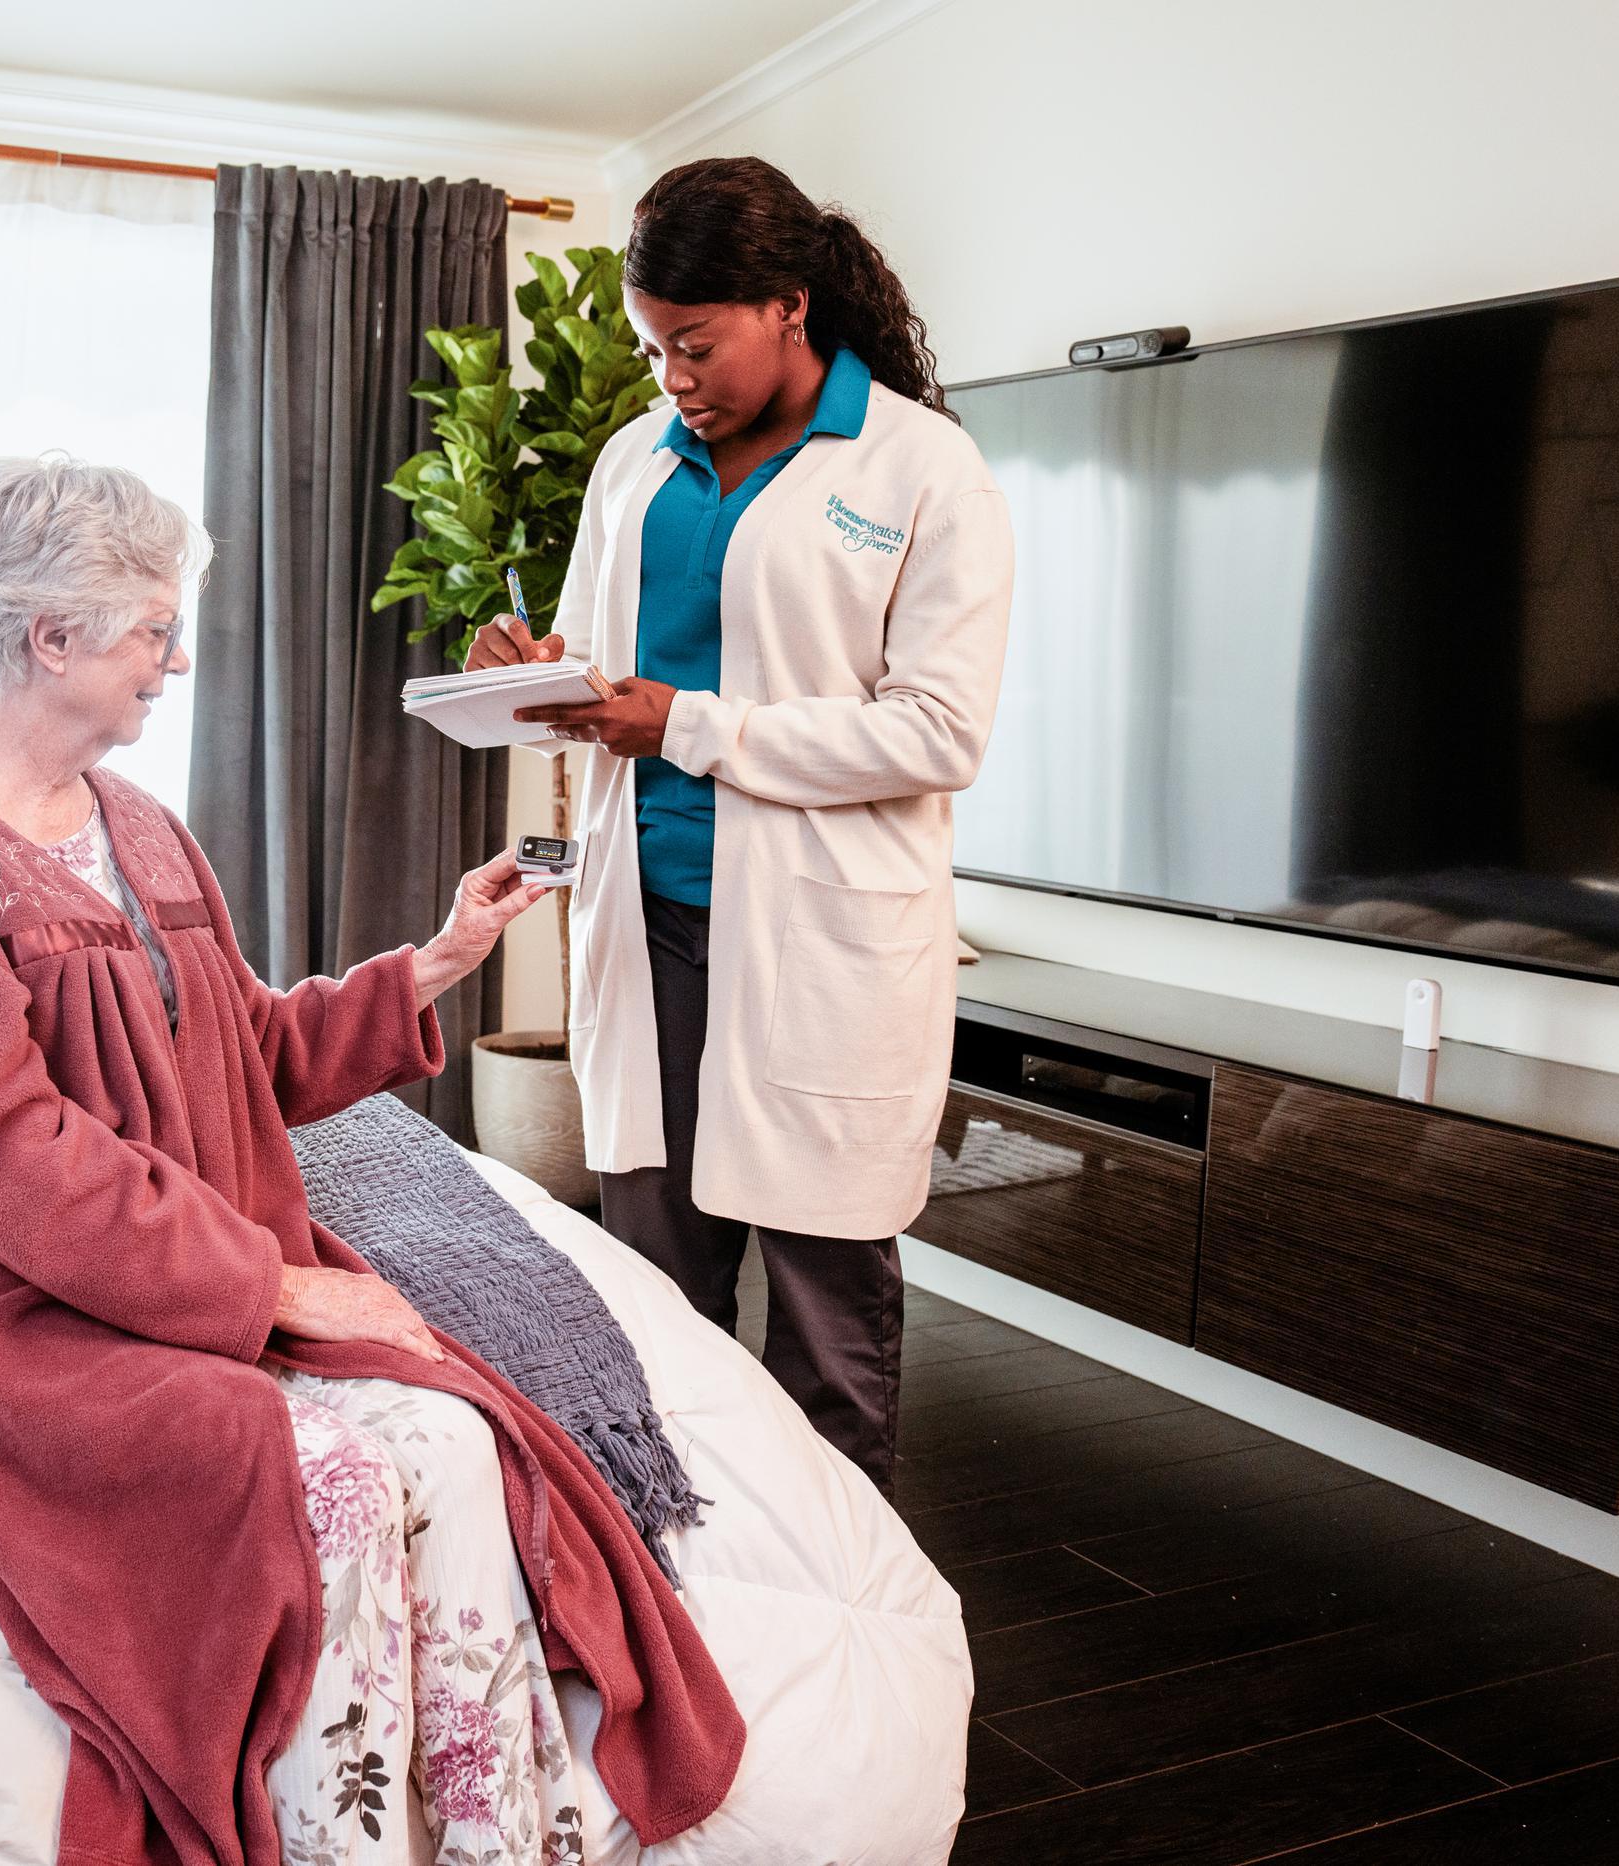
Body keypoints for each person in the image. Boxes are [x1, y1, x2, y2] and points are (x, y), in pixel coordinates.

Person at [0, 455, 743, 1866]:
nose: (176, 662)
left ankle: (504, 1841)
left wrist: (433, 962)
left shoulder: (141, 824)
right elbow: (9, 1163)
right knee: (338, 1491)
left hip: (169, 1261)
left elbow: (238, 1051)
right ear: (49, 638)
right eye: (151, 632)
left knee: (460, 1433)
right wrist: (279, 1288)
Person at [470, 157, 1015, 1500]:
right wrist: (539, 675)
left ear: (787, 305)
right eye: (654, 347)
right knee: (660, 1293)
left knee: (829, 1311)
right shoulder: (633, 462)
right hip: (647, 922)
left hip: (819, 947)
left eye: (693, 344)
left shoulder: (921, 468)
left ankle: (848, 1624)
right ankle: (693, 1599)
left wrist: (690, 725)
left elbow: (938, 732)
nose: (673, 377)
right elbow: (606, 677)